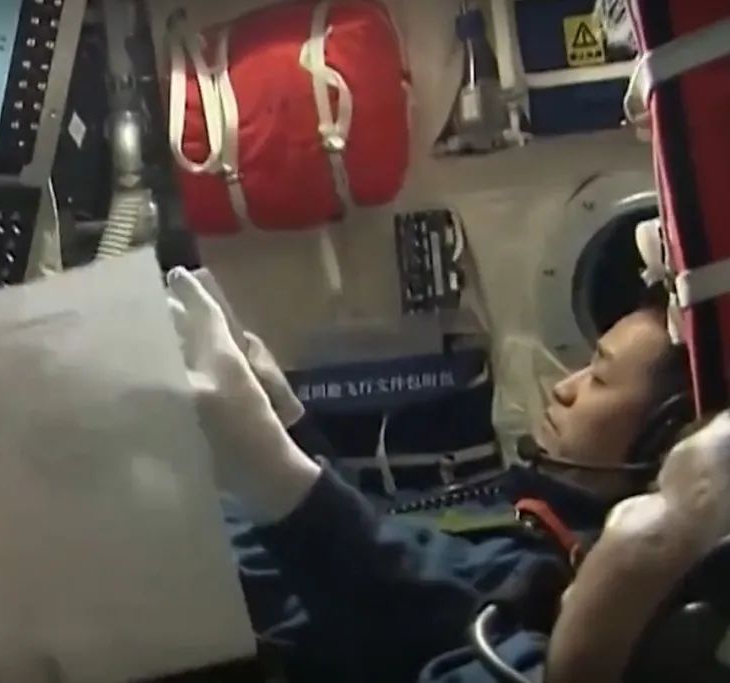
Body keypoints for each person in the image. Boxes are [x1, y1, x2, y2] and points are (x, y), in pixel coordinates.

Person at [165, 267, 693, 683]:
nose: (564, 387)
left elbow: (406, 603)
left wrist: (274, 474)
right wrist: (288, 425)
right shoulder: (524, 505)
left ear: (659, 438)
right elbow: (387, 528)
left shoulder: (562, 576)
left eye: (600, 378)